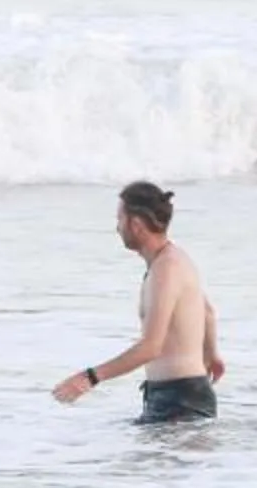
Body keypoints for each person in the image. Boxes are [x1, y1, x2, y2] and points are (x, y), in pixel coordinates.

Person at [51, 179, 224, 423]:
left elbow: (151, 347)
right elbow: (206, 311)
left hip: (180, 402)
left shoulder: (167, 269)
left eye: (119, 220)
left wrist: (89, 378)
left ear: (136, 224)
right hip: (179, 396)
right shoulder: (173, 259)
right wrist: (212, 354)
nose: (117, 228)